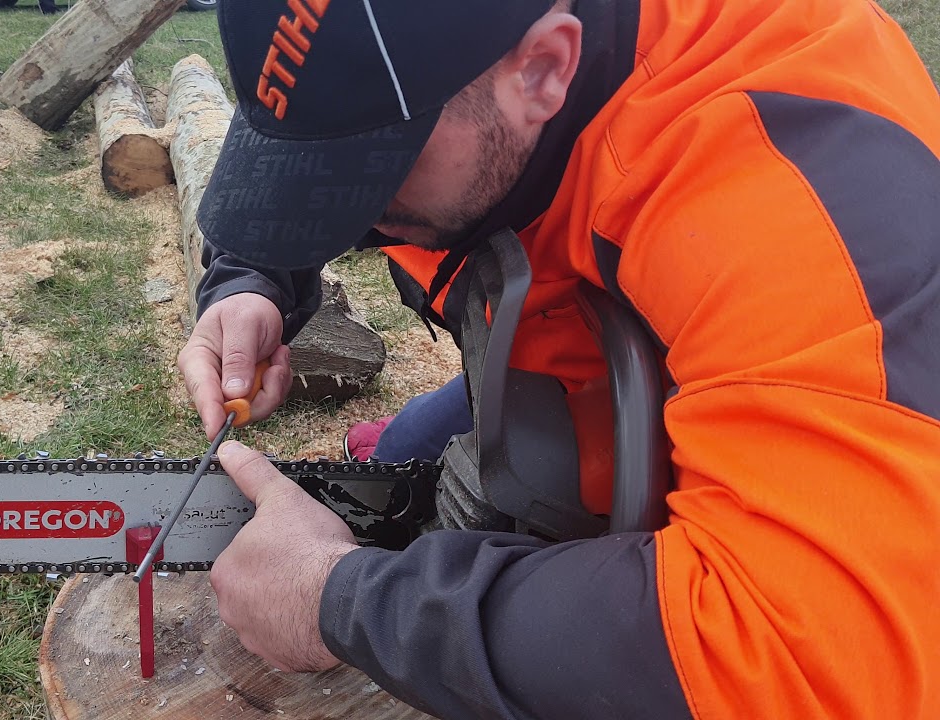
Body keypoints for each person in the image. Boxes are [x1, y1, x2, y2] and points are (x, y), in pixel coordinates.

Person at [176, 0, 940, 717]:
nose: (355, 215)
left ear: (543, 69)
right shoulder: (476, 90)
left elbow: (815, 653)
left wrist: (342, 603)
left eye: (368, 168)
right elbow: (334, 136)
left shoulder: (794, 200)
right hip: (565, 358)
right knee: (405, 453)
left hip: (755, 409)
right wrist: (253, 280)